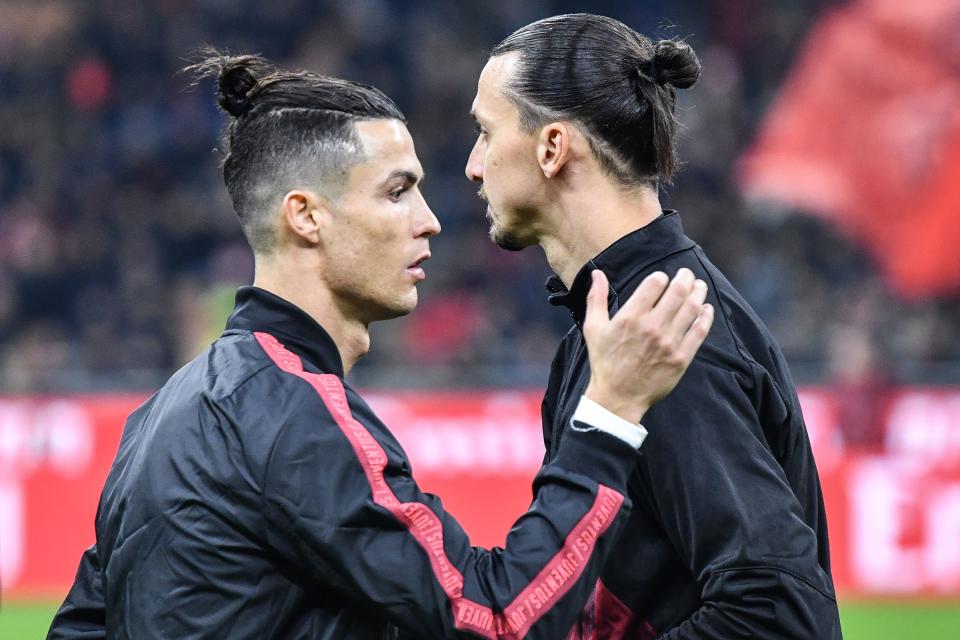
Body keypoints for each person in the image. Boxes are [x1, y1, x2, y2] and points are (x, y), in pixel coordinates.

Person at [48, 52, 714, 639]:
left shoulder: (162, 414)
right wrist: (609, 414)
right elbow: (504, 619)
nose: (428, 222)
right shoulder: (292, 414)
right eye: (398, 192)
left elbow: (82, 625)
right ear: (305, 216)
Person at [465, 13, 842, 639]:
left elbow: (780, 614)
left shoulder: (669, 331)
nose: (475, 166)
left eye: (484, 132)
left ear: (552, 147)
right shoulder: (616, 318)